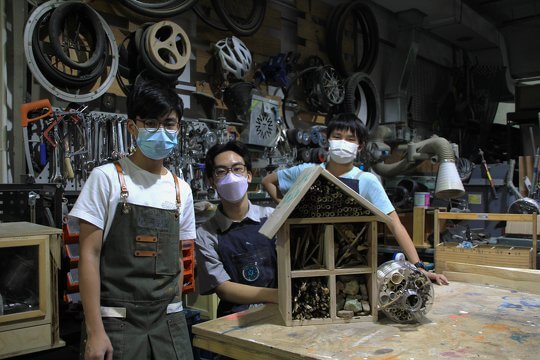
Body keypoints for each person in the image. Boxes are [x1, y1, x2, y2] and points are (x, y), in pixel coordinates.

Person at [70, 76, 196, 360]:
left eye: (169, 123)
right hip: (118, 321)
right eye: (150, 123)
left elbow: (176, 258)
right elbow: (88, 255)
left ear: (178, 128)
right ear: (131, 127)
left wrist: (171, 303)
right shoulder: (106, 179)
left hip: (169, 320)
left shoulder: (181, 190)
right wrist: (95, 331)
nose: (160, 130)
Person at [262, 113, 449, 285]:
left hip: (350, 266)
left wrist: (419, 267)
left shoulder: (366, 181)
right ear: (327, 140)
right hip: (306, 261)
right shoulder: (307, 171)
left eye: (350, 139)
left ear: (359, 146)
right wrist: (287, 207)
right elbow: (268, 181)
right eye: (337, 137)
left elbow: (395, 224)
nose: (343, 143)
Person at [195, 141, 279, 317]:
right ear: (212, 182)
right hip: (234, 318)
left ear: (249, 175)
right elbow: (222, 287)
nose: (230, 176)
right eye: (221, 171)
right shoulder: (206, 234)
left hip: (278, 311)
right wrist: (276, 295)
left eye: (237, 169)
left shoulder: (272, 217)